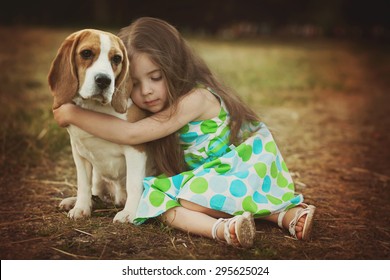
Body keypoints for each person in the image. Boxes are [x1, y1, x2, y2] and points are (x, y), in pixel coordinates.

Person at [53, 17, 316, 248]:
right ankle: (285, 216)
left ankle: (224, 229)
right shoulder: (159, 103)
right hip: (210, 180)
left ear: (175, 68)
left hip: (233, 173)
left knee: (162, 199)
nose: (146, 91)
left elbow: (131, 135)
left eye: (156, 77)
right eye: (135, 83)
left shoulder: (195, 99)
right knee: (165, 201)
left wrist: (73, 114)